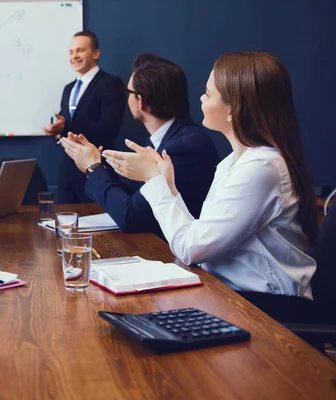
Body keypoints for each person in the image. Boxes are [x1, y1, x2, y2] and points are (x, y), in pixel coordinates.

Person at [102, 52, 317, 301]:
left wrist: (153, 180)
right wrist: (169, 187)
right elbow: (197, 236)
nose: (201, 98)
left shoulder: (261, 168)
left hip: (266, 307)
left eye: (208, 93)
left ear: (231, 111)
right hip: (230, 295)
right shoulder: (232, 163)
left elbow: (190, 248)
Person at [61, 54, 218, 237]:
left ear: (140, 101)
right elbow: (134, 193)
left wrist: (92, 168)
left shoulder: (183, 147)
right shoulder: (163, 139)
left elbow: (131, 217)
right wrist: (97, 163)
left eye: (129, 93)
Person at [42, 31, 125, 203]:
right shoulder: (68, 88)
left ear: (96, 53)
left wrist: (65, 128)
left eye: (80, 50)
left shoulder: (110, 84)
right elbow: (66, 126)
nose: (74, 56)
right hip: (67, 176)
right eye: (71, 52)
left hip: (97, 173)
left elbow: (108, 129)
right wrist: (57, 134)